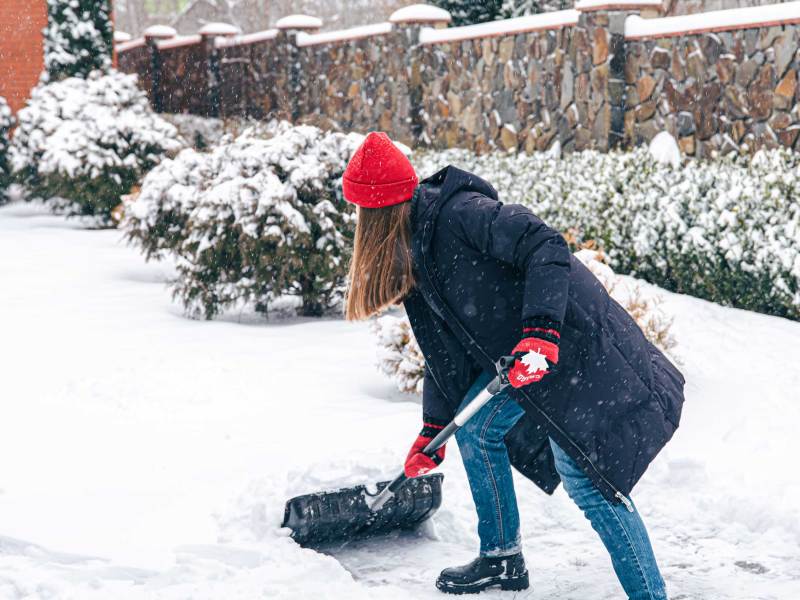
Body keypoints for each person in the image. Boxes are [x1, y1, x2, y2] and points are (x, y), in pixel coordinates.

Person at [343, 132, 685, 598]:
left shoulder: (460, 214)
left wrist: (541, 333)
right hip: (526, 357)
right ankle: (502, 559)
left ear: (379, 212)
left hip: (573, 343)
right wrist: (433, 429)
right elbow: (444, 353)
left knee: (588, 481)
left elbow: (545, 245)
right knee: (478, 430)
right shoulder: (414, 249)